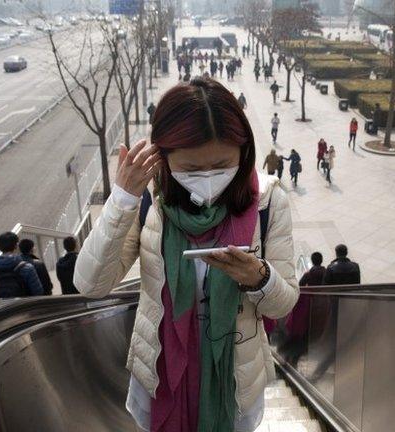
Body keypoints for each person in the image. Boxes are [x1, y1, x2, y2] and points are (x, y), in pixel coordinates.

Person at [74, 77, 297, 432]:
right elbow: (89, 284)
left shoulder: (269, 203)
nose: (208, 178)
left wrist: (259, 278)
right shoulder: (150, 200)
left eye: (222, 164)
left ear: (244, 152)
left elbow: (283, 303)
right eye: (191, 169)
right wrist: (122, 200)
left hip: (235, 383)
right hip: (161, 376)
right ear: (164, 158)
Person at [0, 232, 44, 300]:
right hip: (23, 307)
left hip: (2, 309)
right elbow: (38, 292)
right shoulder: (27, 268)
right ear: (16, 246)